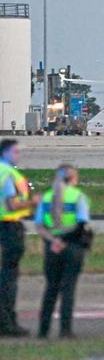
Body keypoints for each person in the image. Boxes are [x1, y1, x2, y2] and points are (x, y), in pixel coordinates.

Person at [35, 165, 90, 339]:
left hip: (52, 248)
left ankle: (43, 330)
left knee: (50, 288)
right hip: (72, 247)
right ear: (73, 178)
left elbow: (39, 225)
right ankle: (65, 330)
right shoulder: (78, 197)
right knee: (68, 289)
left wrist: (54, 241)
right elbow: (81, 224)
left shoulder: (46, 198)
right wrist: (65, 241)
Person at [0, 139, 40, 337]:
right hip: (8, 226)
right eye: (15, 152)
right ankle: (7, 323)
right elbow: (11, 205)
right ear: (5, 153)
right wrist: (33, 202)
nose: (18, 155)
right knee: (8, 277)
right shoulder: (7, 174)